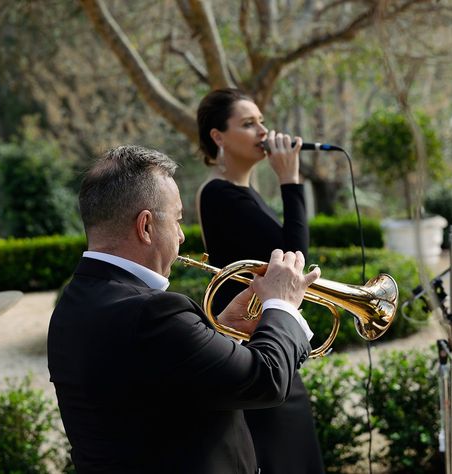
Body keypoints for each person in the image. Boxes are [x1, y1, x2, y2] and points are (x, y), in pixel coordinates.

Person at [47, 144, 321, 474]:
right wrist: (282, 303)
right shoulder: (153, 313)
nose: (181, 237)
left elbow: (159, 383)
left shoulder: (72, 304)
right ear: (145, 227)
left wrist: (218, 332)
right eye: (177, 220)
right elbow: (267, 380)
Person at [196, 88, 325, 474]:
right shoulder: (219, 194)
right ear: (218, 137)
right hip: (255, 350)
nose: (263, 131)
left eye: (262, 121)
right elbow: (294, 262)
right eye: (249, 123)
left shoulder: (243, 192)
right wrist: (290, 181)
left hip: (266, 341)